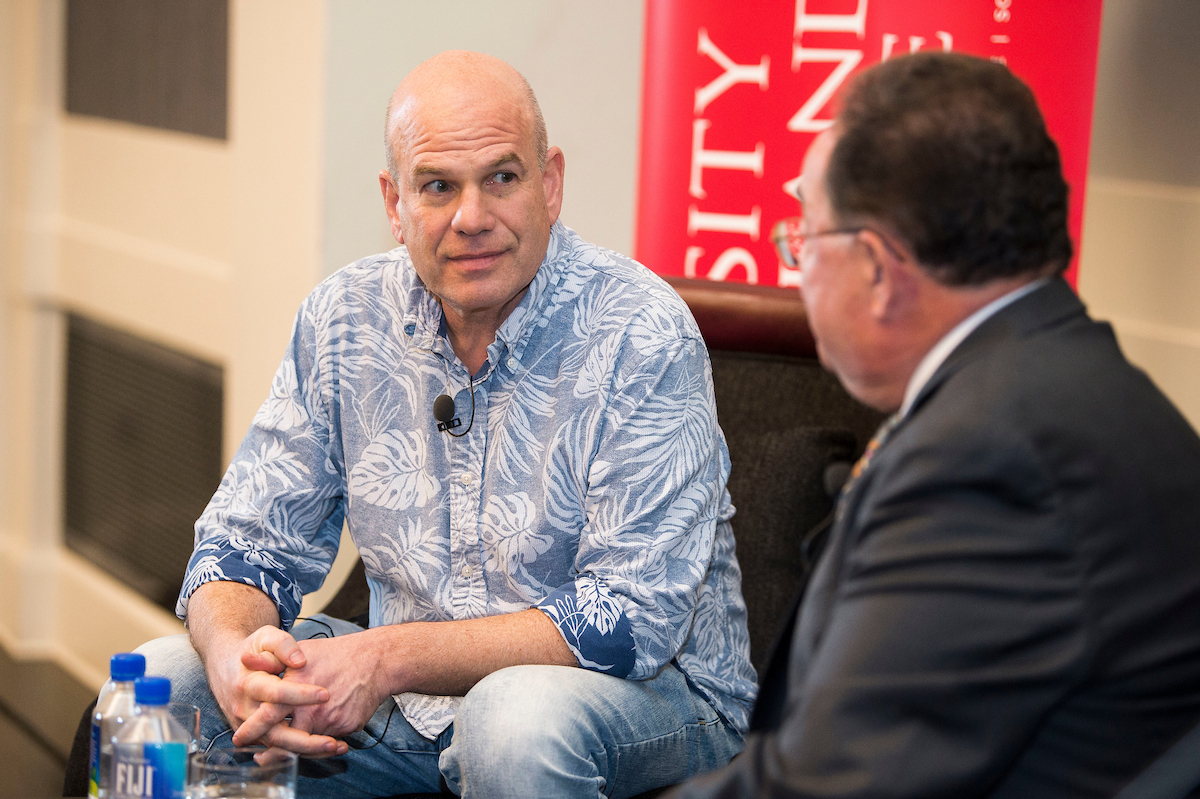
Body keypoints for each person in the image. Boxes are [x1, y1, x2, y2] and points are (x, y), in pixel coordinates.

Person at [138, 50, 754, 798]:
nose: (472, 217)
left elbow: (628, 619)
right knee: (166, 686)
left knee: (511, 719)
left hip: (654, 699)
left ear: (550, 184)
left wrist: (383, 658)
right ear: (394, 204)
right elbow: (246, 539)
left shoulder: (642, 332)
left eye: (502, 177)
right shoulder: (344, 319)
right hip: (412, 709)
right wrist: (236, 657)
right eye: (438, 186)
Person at [666, 52, 1200, 798]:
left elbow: (830, 785)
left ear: (878, 271)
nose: (796, 269)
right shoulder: (1067, 381)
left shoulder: (986, 460)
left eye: (805, 238)